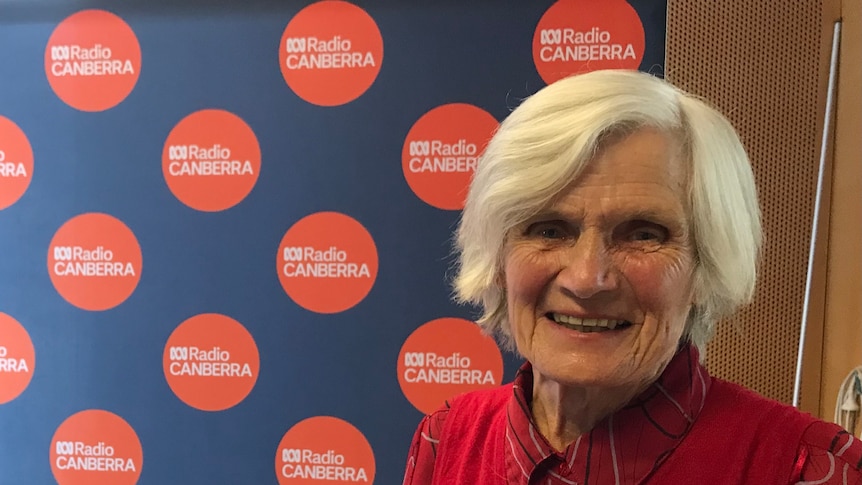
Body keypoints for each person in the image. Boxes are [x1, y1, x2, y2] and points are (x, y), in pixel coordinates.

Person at [402, 69, 862, 484]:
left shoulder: (809, 467)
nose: (586, 279)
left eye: (643, 234)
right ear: (499, 258)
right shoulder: (445, 441)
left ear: (707, 265)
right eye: (548, 229)